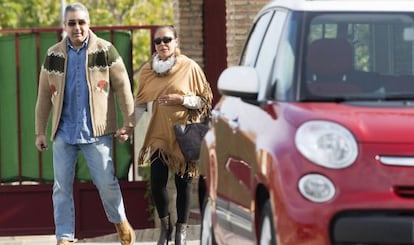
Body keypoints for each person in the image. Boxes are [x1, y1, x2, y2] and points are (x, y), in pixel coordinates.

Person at [34, 3, 135, 245]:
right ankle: (64, 238)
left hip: (96, 132)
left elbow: (123, 88)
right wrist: (40, 132)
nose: (77, 27)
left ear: (88, 24)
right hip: (63, 132)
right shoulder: (53, 54)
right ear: (65, 26)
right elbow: (43, 97)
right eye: (71, 23)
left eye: (81, 22)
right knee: (60, 189)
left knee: (106, 183)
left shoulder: (106, 50)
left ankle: (120, 221)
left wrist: (129, 123)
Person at [135, 25, 213, 245]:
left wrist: (181, 100)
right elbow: (140, 104)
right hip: (159, 134)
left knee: (183, 184)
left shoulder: (189, 67)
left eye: (167, 39)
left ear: (176, 42)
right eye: (157, 41)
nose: (162, 45)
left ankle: (181, 232)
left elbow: (205, 102)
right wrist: (127, 127)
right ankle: (165, 228)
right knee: (157, 181)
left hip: (184, 134)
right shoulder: (149, 70)